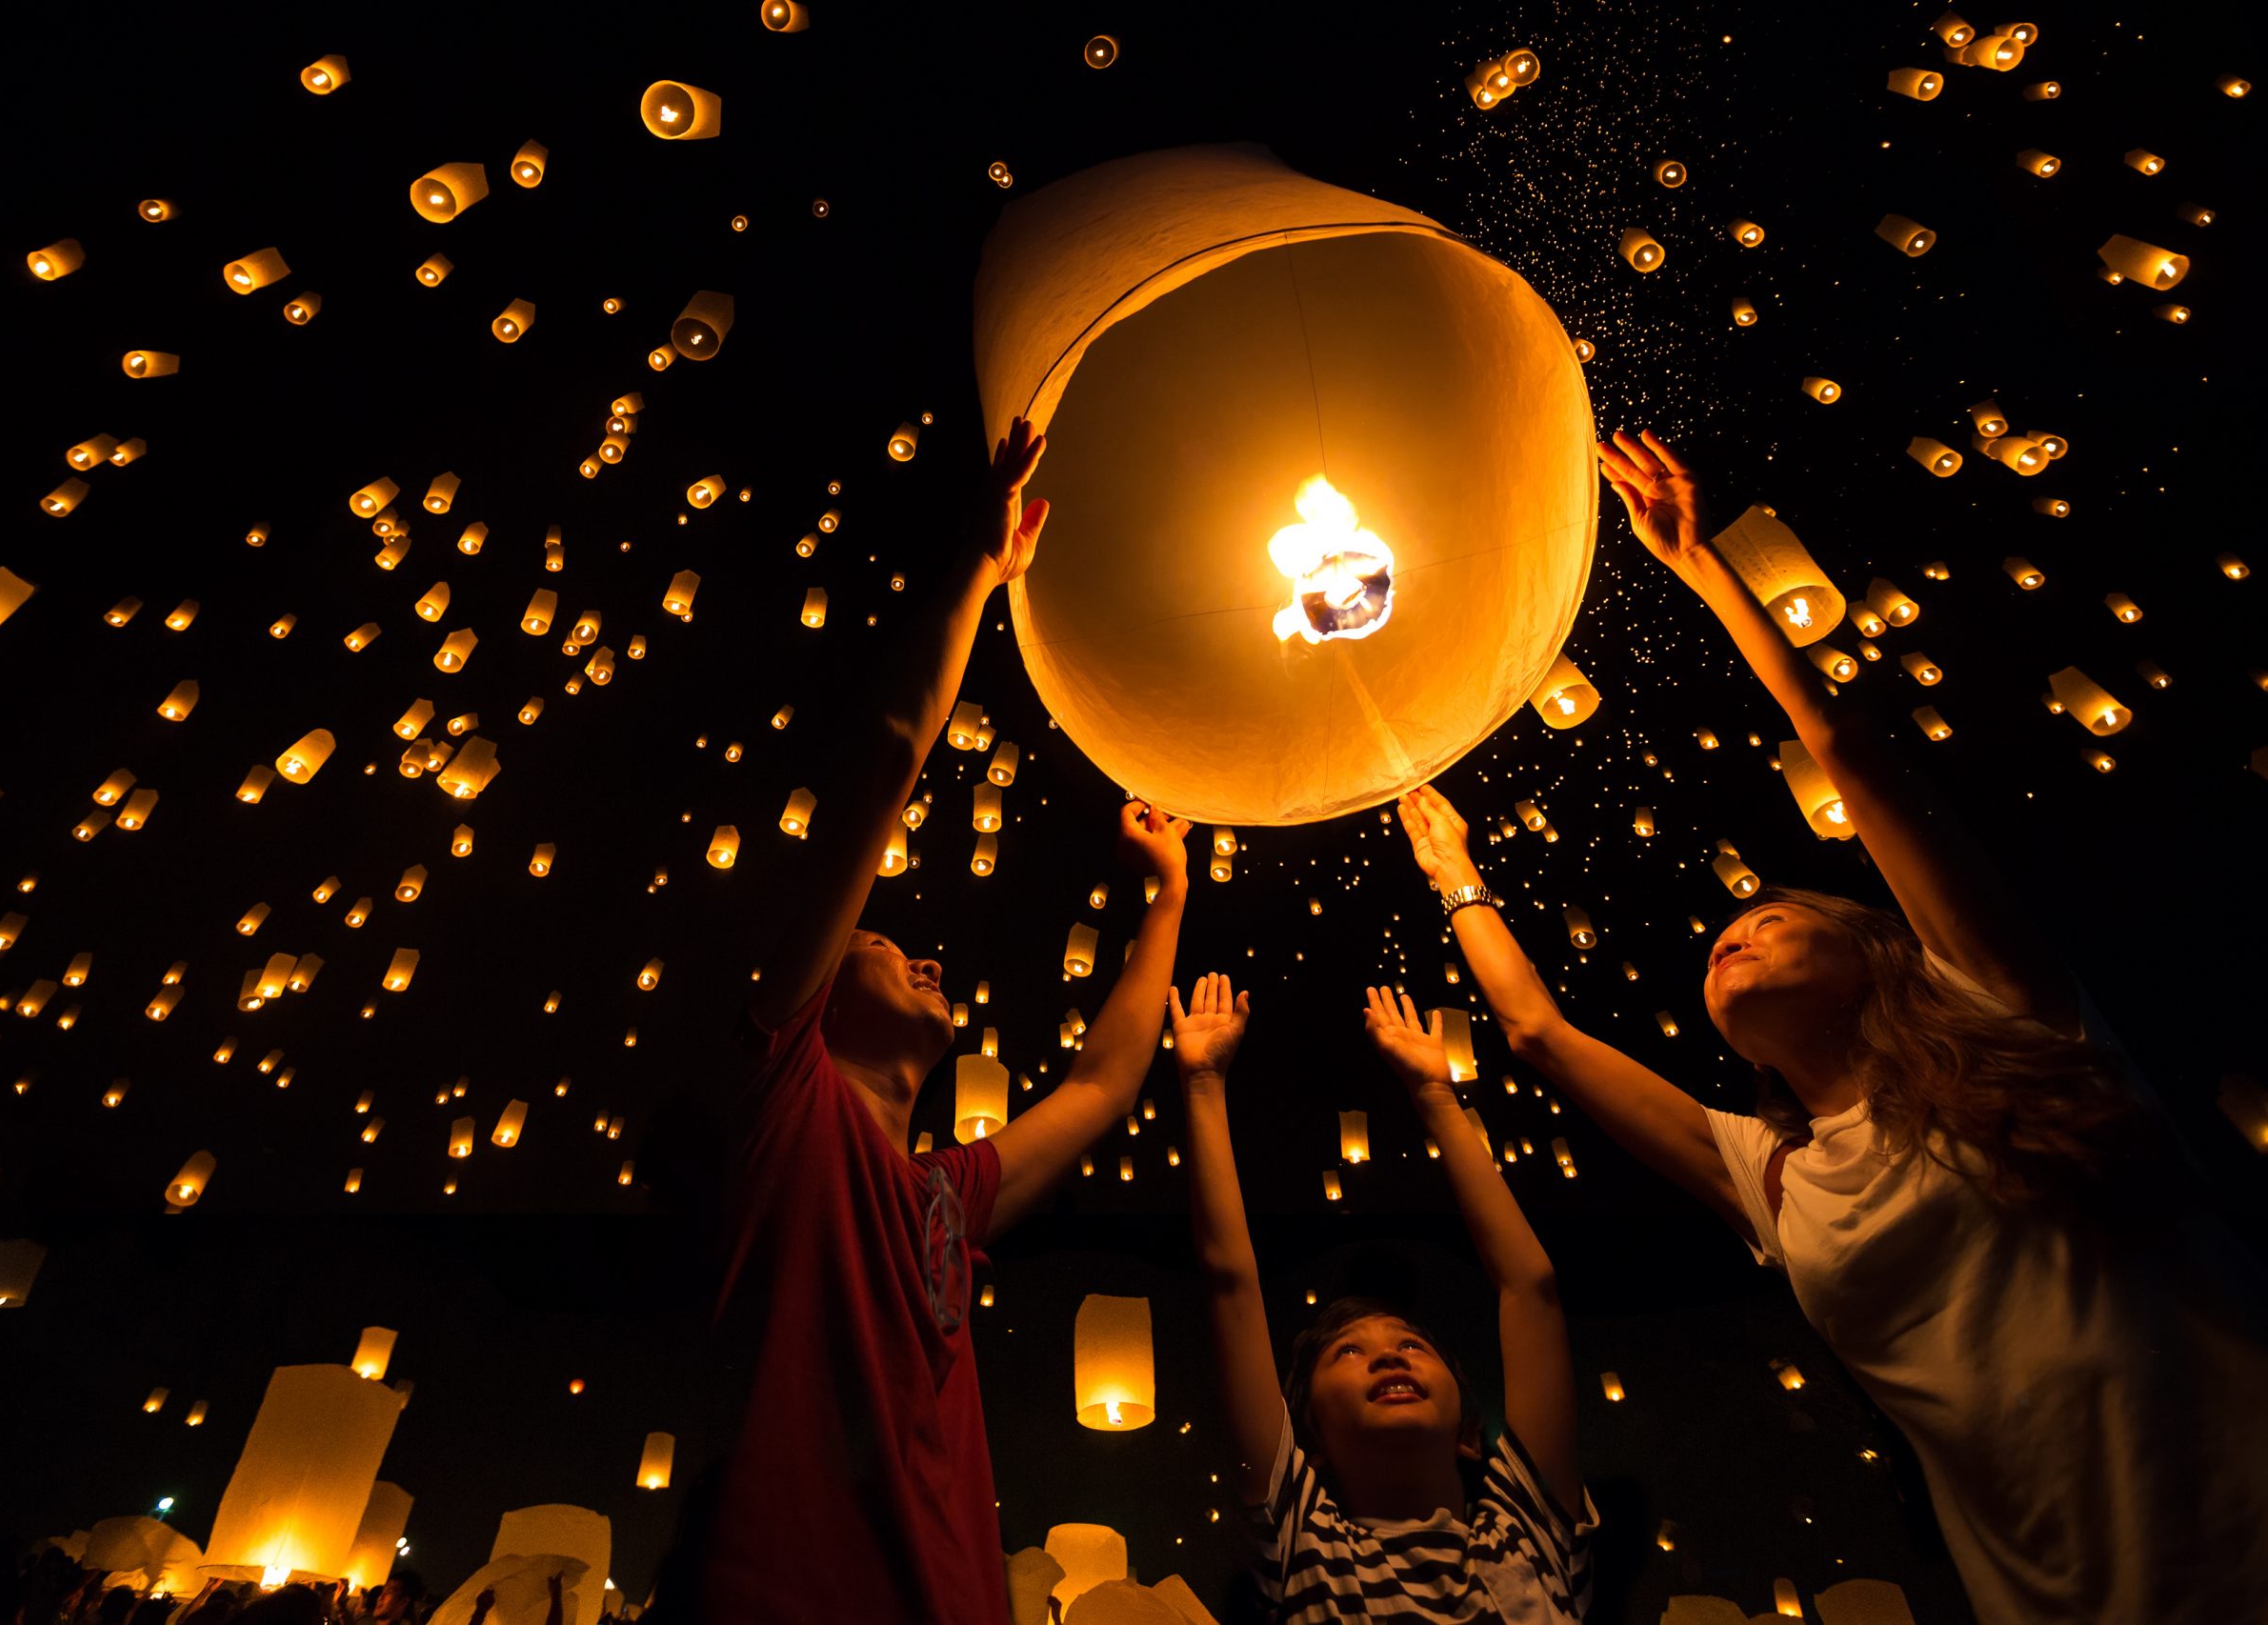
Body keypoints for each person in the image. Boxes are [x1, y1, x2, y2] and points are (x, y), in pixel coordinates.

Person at [1392, 430, 2268, 1623]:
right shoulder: (1771, 1173)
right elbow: (1538, 1032)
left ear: (1873, 945)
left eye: (1767, 913)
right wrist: (1454, 873)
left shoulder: (2002, 1011)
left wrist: (1703, 567)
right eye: (1718, 943)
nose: (1727, 933)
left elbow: (1846, 754)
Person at [656, 417, 1198, 1623]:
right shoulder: (778, 1096)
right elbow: (893, 755)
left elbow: (1103, 1086)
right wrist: (977, 571)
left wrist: (1167, 898)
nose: (927, 950)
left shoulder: (944, 1194)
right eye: (886, 943)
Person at [1173, 973, 1594, 1622]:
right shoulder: (1307, 1548)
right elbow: (1232, 1283)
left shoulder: (1529, 1534)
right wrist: (1202, 1085)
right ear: (1309, 1444)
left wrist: (1436, 1095)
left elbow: (1530, 1289)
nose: (1388, 1358)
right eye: (1347, 1353)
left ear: (1468, 1433)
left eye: (1411, 1345)